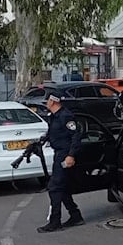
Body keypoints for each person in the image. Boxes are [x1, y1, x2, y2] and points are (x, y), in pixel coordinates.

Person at [37, 94, 85, 233]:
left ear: (53, 101)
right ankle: (75, 216)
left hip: (64, 155)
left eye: (47, 100)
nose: (46, 103)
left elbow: (75, 136)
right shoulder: (53, 116)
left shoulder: (65, 116)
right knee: (62, 187)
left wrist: (71, 155)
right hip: (58, 153)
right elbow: (53, 133)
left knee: (55, 187)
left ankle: (55, 221)